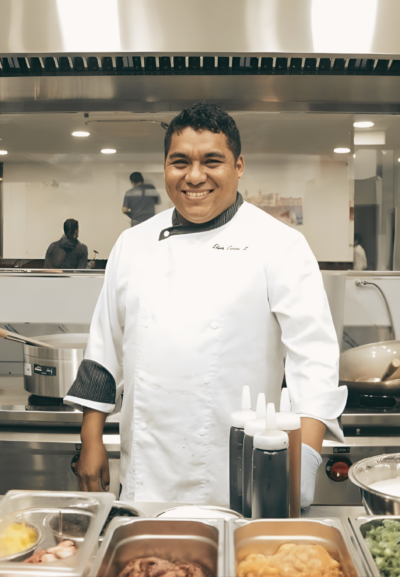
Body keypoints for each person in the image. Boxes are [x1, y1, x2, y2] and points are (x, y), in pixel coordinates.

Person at [64, 101, 347, 508]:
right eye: (180, 162)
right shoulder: (133, 244)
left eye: (212, 161)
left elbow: (314, 361)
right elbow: (105, 345)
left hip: (238, 475)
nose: (194, 176)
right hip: (147, 473)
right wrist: (91, 437)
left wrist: (304, 459)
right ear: (165, 167)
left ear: (239, 166)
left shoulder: (280, 245)